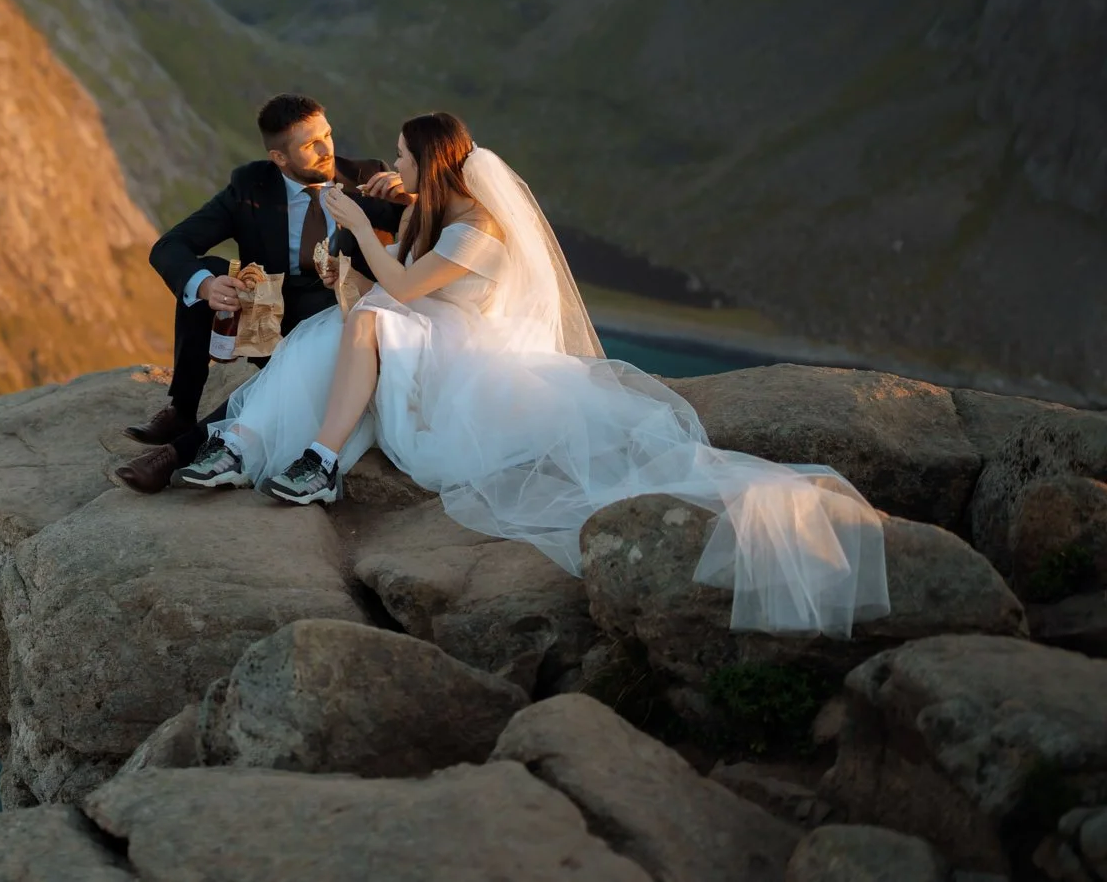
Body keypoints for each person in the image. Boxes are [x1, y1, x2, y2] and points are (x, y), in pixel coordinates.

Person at [175, 111, 891, 638]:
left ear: (435, 162)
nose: (394, 164)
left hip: (467, 360)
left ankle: (319, 459)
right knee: (329, 331)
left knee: (364, 321)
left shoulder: (477, 231)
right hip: (434, 334)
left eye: (404, 156)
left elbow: (400, 284)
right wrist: (398, 200)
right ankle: (254, 444)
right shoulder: (439, 206)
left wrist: (361, 230)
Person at [111, 93, 406, 494]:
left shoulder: (367, 178)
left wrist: (411, 200)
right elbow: (170, 246)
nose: (326, 150)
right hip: (266, 316)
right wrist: (207, 286)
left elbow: (430, 239)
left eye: (327, 135)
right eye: (309, 144)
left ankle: (176, 455)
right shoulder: (250, 186)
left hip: (332, 318)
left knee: (284, 373)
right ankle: (182, 406)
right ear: (279, 158)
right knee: (207, 273)